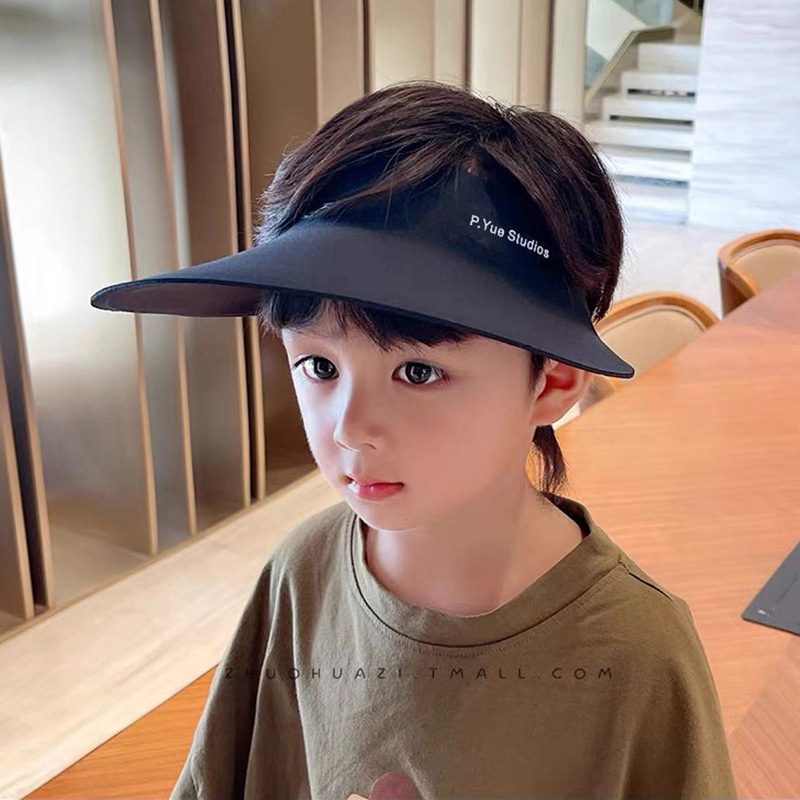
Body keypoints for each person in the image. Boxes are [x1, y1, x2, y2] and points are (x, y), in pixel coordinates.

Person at [91, 80, 738, 799]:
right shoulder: (303, 573)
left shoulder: (637, 654)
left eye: (419, 371)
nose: (349, 427)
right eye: (320, 366)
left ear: (553, 380)